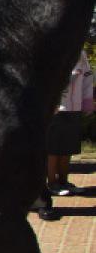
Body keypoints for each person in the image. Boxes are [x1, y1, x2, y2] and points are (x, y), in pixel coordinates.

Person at [37, 50, 93, 220]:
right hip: (56, 108)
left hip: (74, 107)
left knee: (67, 147)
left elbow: (88, 76)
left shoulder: (80, 53)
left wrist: (87, 101)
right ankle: (52, 183)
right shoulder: (54, 49)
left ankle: (63, 181)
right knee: (53, 148)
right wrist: (51, 101)